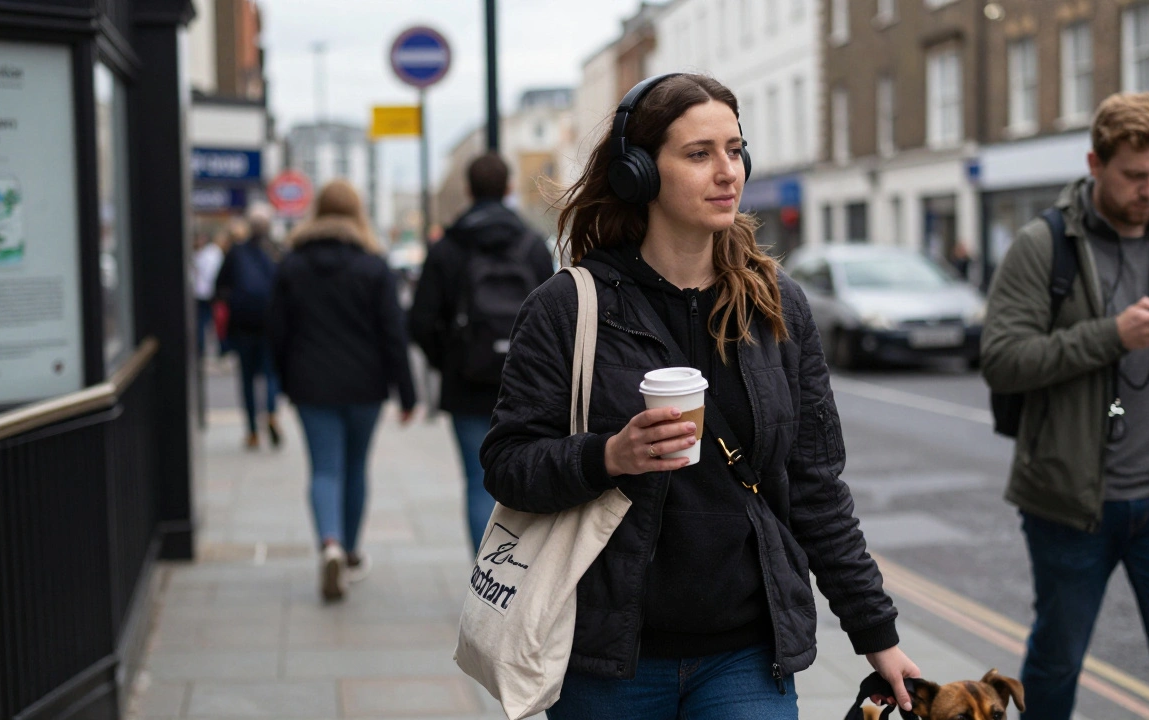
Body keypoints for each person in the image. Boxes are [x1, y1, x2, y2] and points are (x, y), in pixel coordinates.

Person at [479, 73, 919, 718]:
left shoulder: (778, 306)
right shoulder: (568, 307)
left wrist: (877, 635)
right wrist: (608, 456)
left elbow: (816, 487)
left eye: (735, 150)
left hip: (745, 653)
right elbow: (508, 464)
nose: (727, 172)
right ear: (638, 173)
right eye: (698, 153)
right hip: (608, 657)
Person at [982, 92, 1149, 719]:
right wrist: (1111, 335)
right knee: (1058, 660)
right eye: (1135, 175)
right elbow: (1002, 359)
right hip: (1071, 499)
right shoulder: (1043, 245)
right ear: (1095, 162)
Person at [269, 179, 418, 601]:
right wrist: (407, 395)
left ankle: (329, 544)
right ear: (357, 213)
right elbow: (394, 334)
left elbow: (276, 331)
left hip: (311, 384)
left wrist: (282, 382)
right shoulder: (373, 266)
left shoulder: (292, 265)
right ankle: (350, 552)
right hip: (365, 385)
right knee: (355, 469)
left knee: (323, 469)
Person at [409, 153, 554, 550]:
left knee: (478, 481)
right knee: (525, 478)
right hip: (527, 384)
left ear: (469, 190)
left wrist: (449, 359)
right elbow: (557, 317)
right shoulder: (531, 245)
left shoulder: (448, 246)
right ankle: (519, 576)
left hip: (466, 382)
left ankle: (484, 576)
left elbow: (421, 320)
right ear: (508, 189)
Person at [215, 207, 283, 450]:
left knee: (246, 379)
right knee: (271, 374)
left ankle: (253, 431)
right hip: (270, 326)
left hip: (243, 326)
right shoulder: (275, 252)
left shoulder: (236, 252)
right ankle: (272, 412)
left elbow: (219, 288)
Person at [192, 231, 225, 359]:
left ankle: (208, 348)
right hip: (205, 293)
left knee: (207, 322)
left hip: (206, 293)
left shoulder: (210, 254)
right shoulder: (206, 254)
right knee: (206, 322)